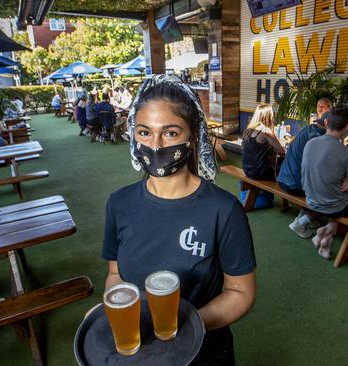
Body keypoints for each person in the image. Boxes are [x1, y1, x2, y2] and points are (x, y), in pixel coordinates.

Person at [102, 75, 256, 365]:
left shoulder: (223, 210)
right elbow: (115, 274)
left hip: (204, 352)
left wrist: (184, 326)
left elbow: (241, 292)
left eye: (170, 133)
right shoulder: (118, 203)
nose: (156, 145)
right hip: (140, 354)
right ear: (133, 135)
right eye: (145, 132)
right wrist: (114, 312)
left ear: (192, 135)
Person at [301, 107, 348, 259]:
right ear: (347, 127)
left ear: (326, 122)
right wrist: (347, 180)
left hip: (311, 200)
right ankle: (328, 229)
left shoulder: (310, 143)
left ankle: (326, 235)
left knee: (337, 196)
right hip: (333, 205)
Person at [277, 98, 333, 239]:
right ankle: (302, 220)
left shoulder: (310, 129)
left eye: (323, 107)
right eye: (318, 106)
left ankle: (306, 215)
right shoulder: (318, 134)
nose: (319, 109)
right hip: (293, 185)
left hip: (283, 180)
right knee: (330, 196)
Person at [242, 104, 285, 181]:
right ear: (269, 116)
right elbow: (281, 150)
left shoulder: (249, 130)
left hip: (247, 169)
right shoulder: (265, 130)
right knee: (283, 160)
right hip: (259, 173)